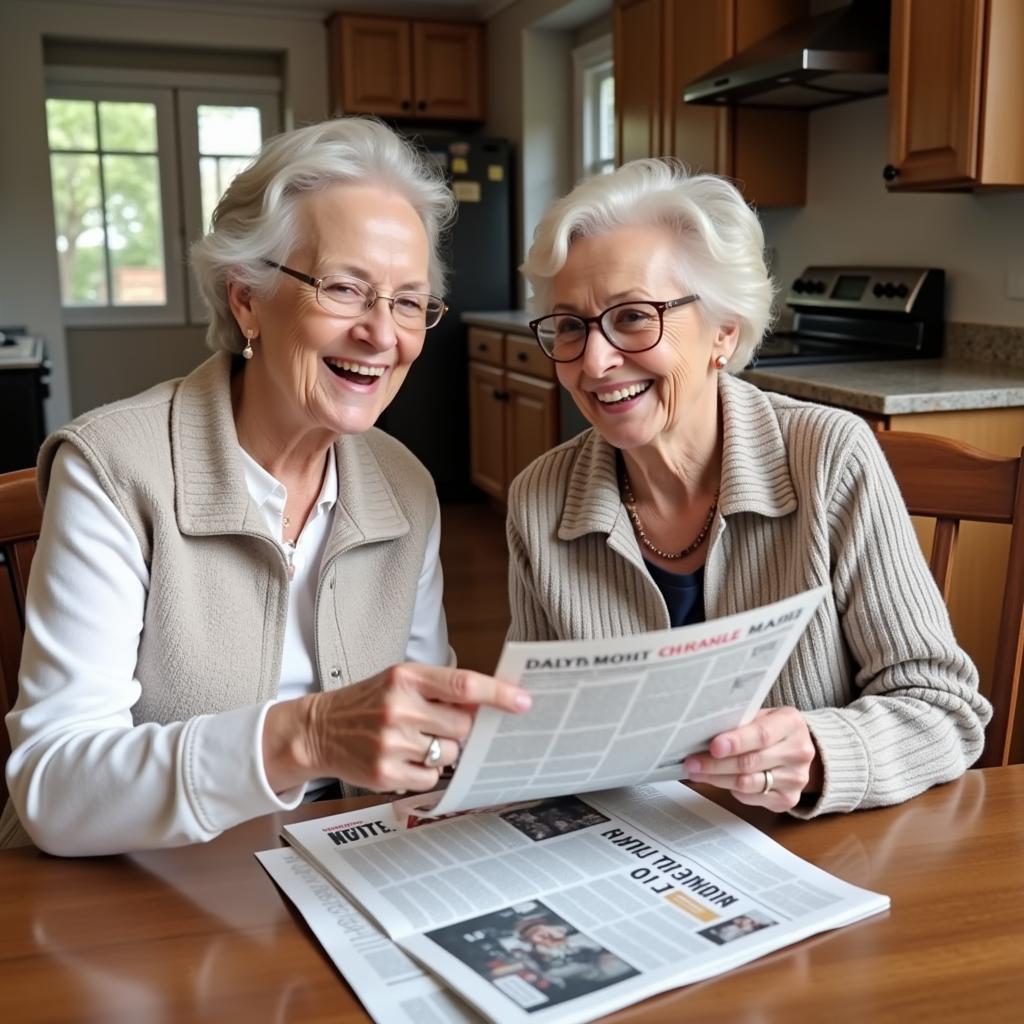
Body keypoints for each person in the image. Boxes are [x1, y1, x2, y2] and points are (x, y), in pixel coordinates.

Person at [1, 117, 530, 855]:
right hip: (148, 892)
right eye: (346, 289)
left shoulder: (406, 484)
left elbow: (419, 728)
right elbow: (55, 789)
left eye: (409, 301)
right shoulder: (114, 469)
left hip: (345, 866)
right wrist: (307, 735)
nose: (383, 334)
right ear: (246, 298)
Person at [508, 159, 991, 817]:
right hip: (628, 860)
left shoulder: (828, 458)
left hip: (822, 855)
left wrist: (820, 753)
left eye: (632, 318)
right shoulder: (540, 500)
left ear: (724, 332)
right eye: (570, 326)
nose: (594, 362)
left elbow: (945, 709)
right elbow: (541, 726)